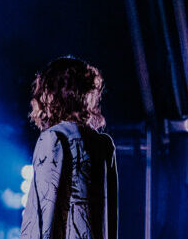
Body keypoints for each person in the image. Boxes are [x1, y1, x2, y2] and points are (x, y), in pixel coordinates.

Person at [20, 56, 118, 239]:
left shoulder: (54, 138)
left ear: (50, 95)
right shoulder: (103, 144)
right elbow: (109, 220)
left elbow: (42, 218)